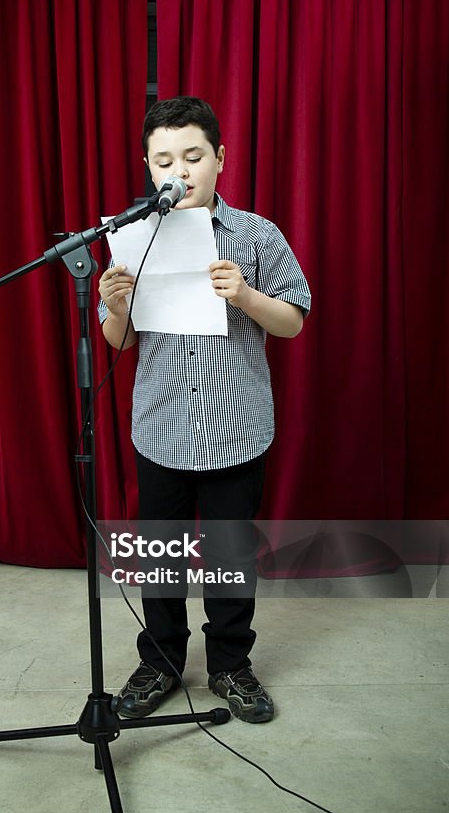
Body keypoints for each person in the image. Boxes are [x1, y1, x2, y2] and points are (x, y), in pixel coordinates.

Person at [98, 97, 311, 723]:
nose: (179, 171)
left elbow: (293, 320)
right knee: (158, 551)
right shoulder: (133, 235)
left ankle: (231, 667)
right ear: (147, 164)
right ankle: (159, 661)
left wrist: (243, 294)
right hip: (161, 427)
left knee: (228, 556)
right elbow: (121, 341)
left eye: (193, 157)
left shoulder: (256, 233)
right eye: (164, 160)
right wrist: (114, 305)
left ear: (220, 158)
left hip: (236, 427)